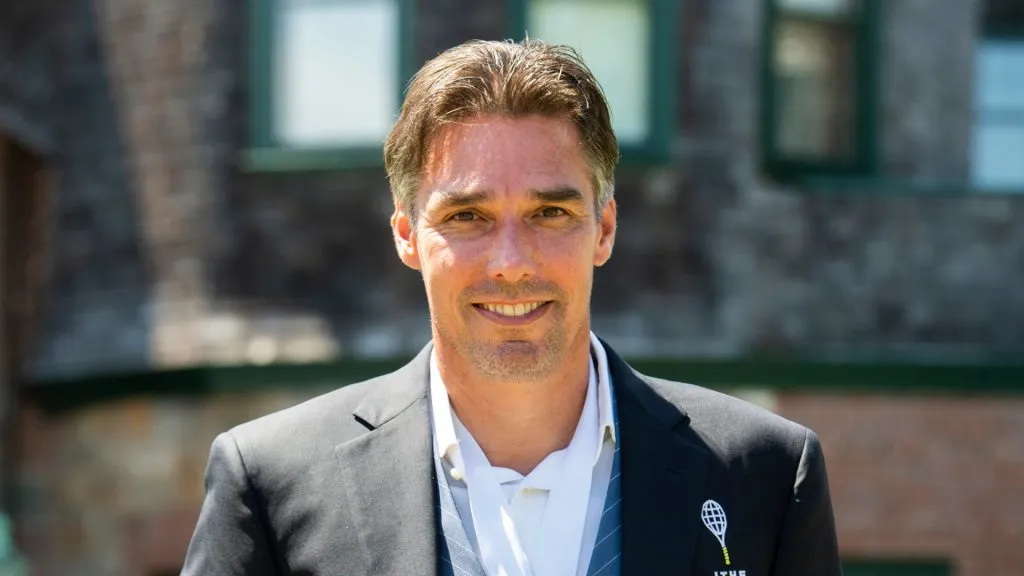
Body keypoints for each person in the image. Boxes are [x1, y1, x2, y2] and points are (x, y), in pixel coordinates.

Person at [180, 39, 842, 576]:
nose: (511, 261)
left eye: (549, 212)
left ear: (605, 228)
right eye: (467, 216)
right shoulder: (271, 482)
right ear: (408, 236)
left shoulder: (765, 477)